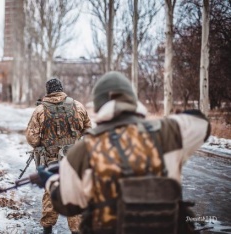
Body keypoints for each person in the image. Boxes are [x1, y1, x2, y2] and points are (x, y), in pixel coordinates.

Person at [38, 71, 211, 234]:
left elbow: (68, 204)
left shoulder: (83, 152)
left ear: (99, 106)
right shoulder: (168, 132)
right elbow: (202, 124)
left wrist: (52, 182)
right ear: (133, 100)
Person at [26, 78, 92, 234]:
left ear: (48, 91)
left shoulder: (40, 110)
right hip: (74, 159)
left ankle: (47, 228)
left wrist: (42, 144)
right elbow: (89, 131)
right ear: (61, 89)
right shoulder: (78, 106)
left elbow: (31, 137)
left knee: (50, 191)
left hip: (51, 159)